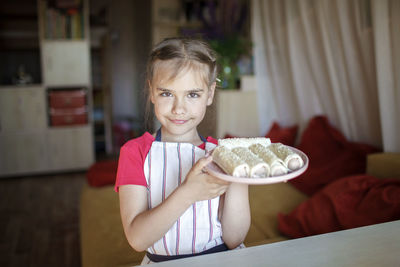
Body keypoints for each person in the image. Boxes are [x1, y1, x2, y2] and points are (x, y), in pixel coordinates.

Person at [115, 37, 250, 265]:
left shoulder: (222, 153)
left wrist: (239, 177)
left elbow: (234, 238)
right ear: (151, 91)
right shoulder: (134, 152)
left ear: (209, 94)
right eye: (167, 93)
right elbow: (137, 239)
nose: (179, 109)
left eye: (193, 94)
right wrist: (188, 193)